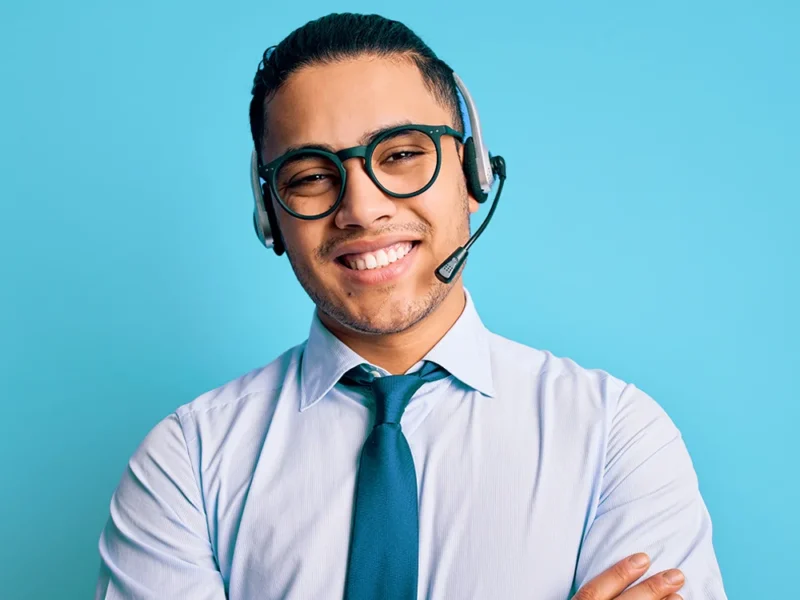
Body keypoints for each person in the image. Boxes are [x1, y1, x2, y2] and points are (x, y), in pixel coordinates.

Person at [95, 12, 727, 600]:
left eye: (399, 155)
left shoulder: (616, 436)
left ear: (473, 170)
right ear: (271, 219)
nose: (362, 209)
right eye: (311, 176)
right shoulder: (186, 464)